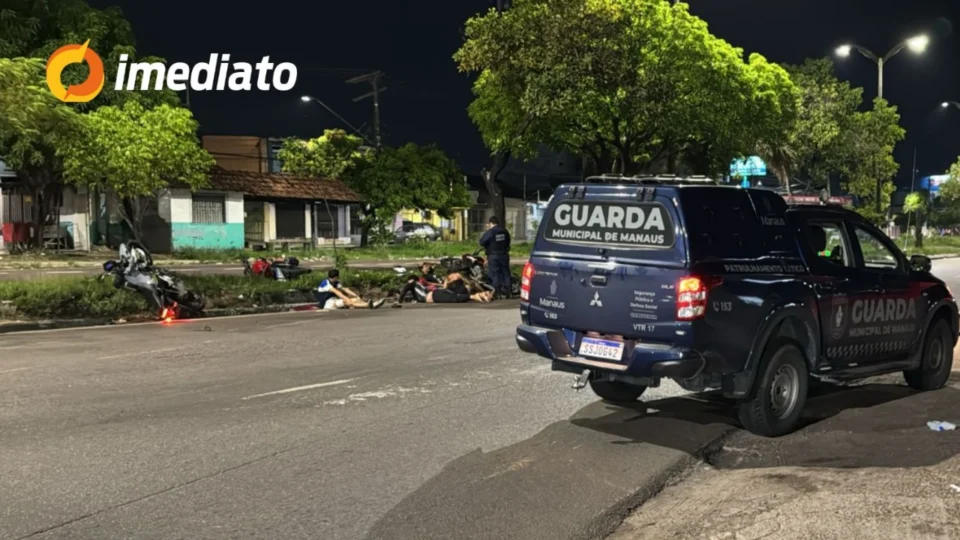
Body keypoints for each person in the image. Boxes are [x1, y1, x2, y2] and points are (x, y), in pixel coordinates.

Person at [315, 269, 386, 310]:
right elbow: (337, 292)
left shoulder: (336, 282)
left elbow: (345, 289)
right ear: (336, 276)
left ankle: (370, 304)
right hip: (328, 303)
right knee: (346, 301)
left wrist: (356, 295)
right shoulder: (325, 283)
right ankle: (368, 305)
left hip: (334, 300)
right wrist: (347, 299)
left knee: (354, 300)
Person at [479, 216, 511, 299]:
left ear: (490, 223)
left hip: (493, 256)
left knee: (495, 273)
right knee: (506, 273)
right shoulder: (504, 231)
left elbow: (482, 242)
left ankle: (497, 293)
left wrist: (487, 232)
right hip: (504, 255)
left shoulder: (490, 232)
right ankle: (508, 292)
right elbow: (508, 241)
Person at [425, 272, 493, 304]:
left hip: (454, 292)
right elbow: (467, 282)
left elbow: (444, 288)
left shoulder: (447, 278)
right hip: (462, 289)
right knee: (471, 285)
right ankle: (482, 291)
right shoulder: (457, 274)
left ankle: (480, 294)